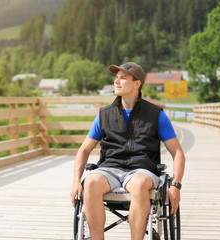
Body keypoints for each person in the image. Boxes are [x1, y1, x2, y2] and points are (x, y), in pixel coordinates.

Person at [70, 62, 185, 240]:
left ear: (137, 83)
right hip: (110, 169)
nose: (117, 81)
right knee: (90, 182)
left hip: (142, 170)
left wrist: (176, 185)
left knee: (139, 184)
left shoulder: (156, 115)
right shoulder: (104, 115)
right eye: (116, 77)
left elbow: (177, 152)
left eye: (122, 78)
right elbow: (84, 150)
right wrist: (76, 181)